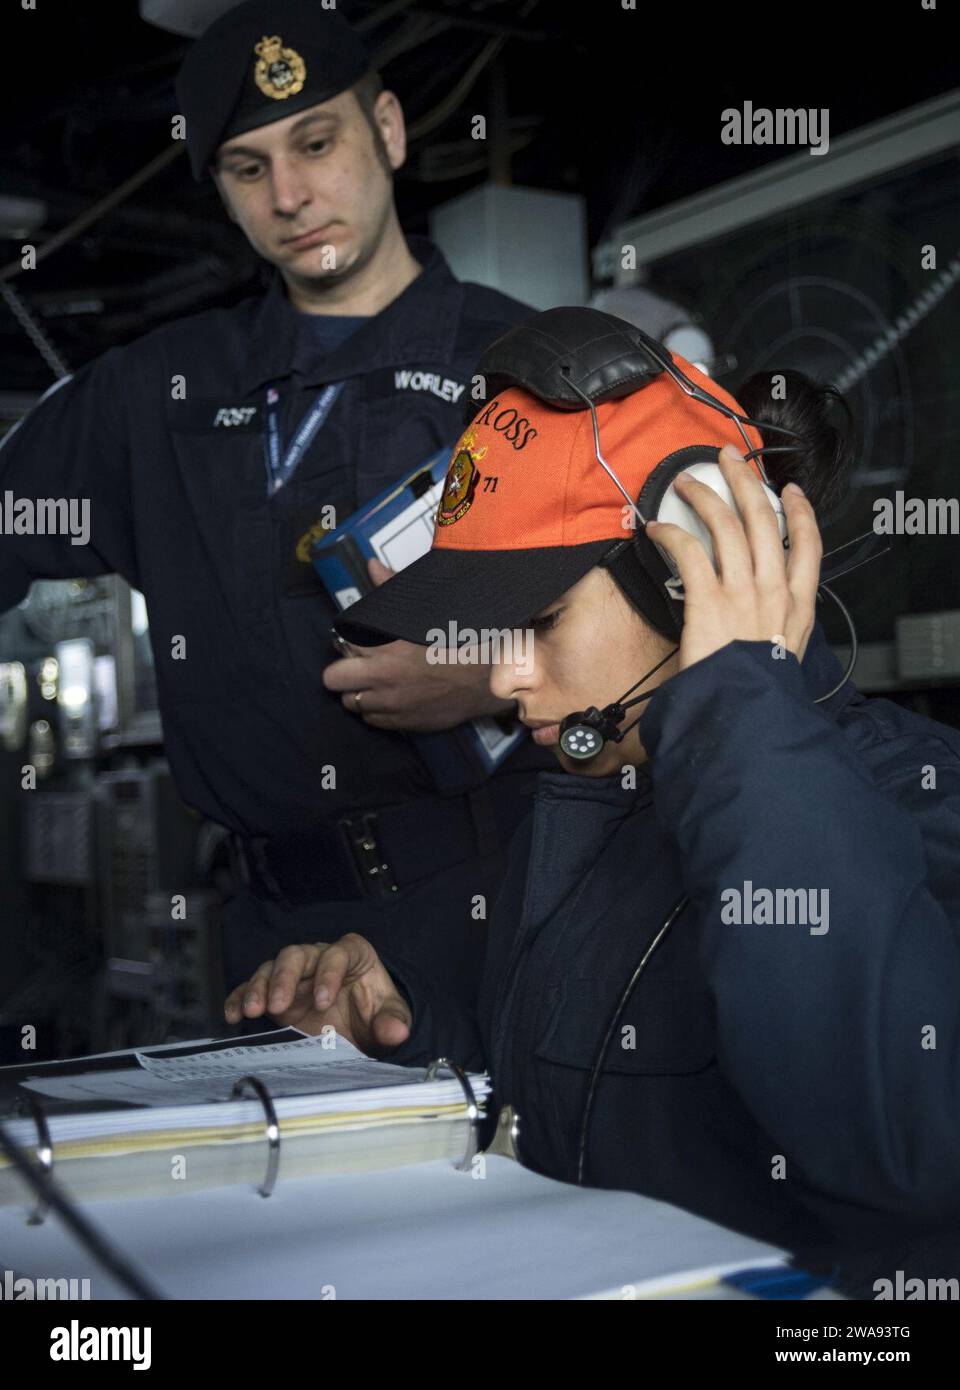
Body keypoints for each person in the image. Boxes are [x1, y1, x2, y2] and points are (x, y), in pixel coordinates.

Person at [225, 309, 960, 1295]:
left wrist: (740, 706)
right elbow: (593, 1100)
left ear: (687, 569)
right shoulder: (592, 799)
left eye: (540, 621)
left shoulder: (915, 796)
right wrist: (410, 1036)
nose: (507, 677)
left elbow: (905, 1146)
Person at [0, 0, 550, 1004]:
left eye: (316, 141)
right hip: (272, 939)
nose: (291, 194)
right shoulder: (154, 394)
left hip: (508, 900)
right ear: (221, 189)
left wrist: (511, 672)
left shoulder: (524, 367)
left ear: (386, 129)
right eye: (249, 168)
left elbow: (698, 627)